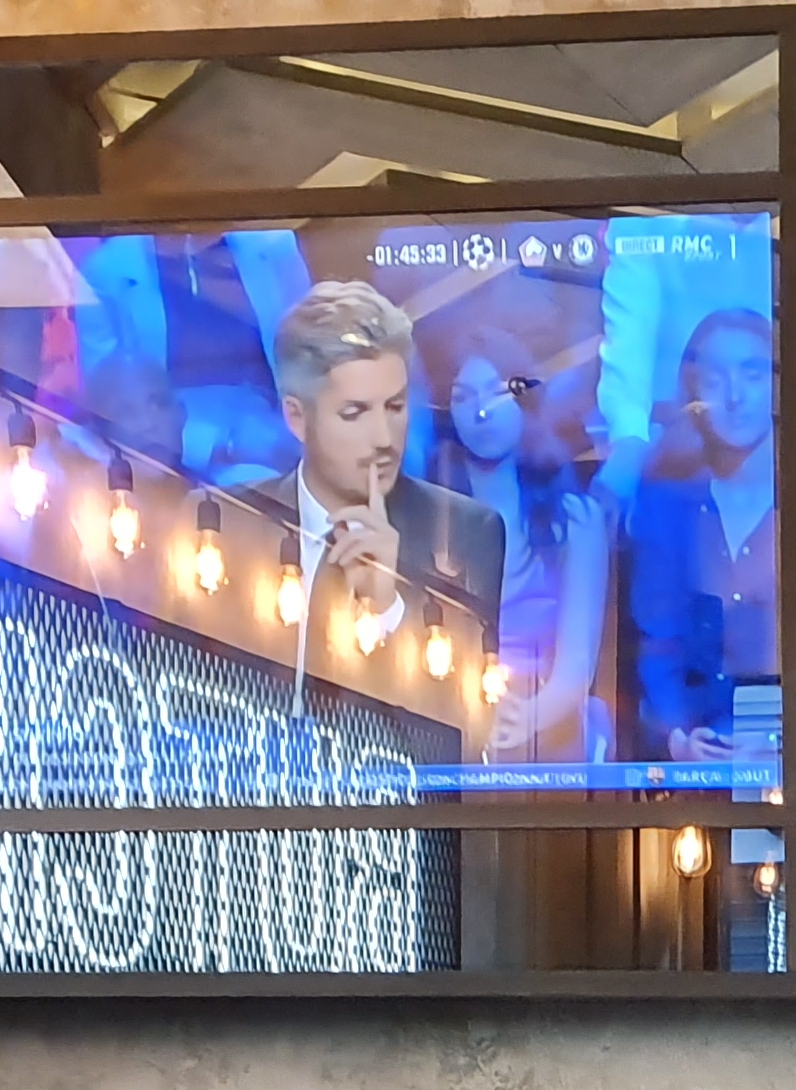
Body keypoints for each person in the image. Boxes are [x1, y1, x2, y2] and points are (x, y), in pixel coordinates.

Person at [260, 281, 505, 689]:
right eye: (355, 413)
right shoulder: (228, 519)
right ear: (297, 418)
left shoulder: (464, 533)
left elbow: (468, 717)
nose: (384, 438)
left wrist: (389, 609)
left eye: (395, 407)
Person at [435, 328, 615, 765]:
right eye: (463, 398)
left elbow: (576, 667)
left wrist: (526, 718)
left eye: (496, 393)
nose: (480, 412)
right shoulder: (430, 509)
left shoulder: (576, 518)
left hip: (545, 726)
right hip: (441, 713)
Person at [625, 307, 784, 767]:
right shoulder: (665, 508)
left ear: (776, 385)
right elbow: (658, 645)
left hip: (794, 766)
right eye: (715, 380)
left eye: (752, 374)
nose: (734, 396)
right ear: (693, 393)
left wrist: (781, 741)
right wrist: (678, 737)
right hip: (694, 766)